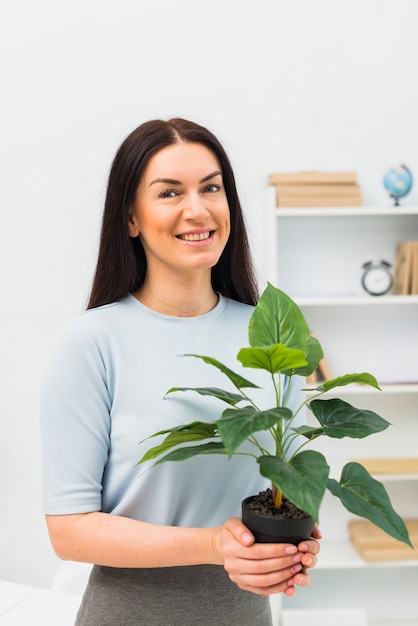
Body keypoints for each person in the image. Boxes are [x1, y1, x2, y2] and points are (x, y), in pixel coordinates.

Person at [40, 118, 321, 626]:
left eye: (211, 188)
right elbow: (69, 529)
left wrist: (292, 547)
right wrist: (216, 543)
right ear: (131, 217)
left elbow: (286, 482)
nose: (198, 209)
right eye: (169, 193)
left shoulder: (273, 338)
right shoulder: (92, 342)